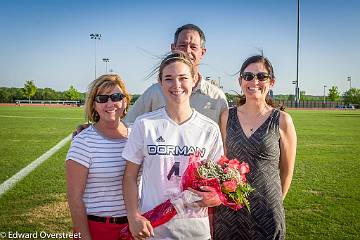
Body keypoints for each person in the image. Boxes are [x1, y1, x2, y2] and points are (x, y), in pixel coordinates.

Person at [122, 51, 224, 240]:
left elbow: (219, 186)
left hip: (195, 232)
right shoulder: (145, 124)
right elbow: (129, 176)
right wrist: (133, 215)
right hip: (153, 229)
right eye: (168, 78)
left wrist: (215, 198)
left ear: (194, 80)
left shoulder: (209, 129)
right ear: (160, 82)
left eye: (183, 78)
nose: (176, 85)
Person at [214, 55, 297, 240]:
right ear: (241, 81)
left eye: (261, 76)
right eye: (248, 76)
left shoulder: (282, 121)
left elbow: (287, 171)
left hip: (267, 212)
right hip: (230, 211)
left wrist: (273, 202)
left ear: (271, 82)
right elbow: (223, 162)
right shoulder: (227, 116)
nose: (254, 81)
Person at [66, 74, 131, 240]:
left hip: (134, 227)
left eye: (116, 97)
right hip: (98, 229)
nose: (110, 104)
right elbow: (74, 197)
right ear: (94, 105)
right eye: (102, 98)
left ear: (125, 101)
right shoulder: (83, 141)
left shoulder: (137, 135)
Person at [124, 23, 228, 125]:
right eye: (182, 45)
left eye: (193, 47)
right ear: (173, 48)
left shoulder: (217, 97)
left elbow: (225, 137)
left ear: (202, 52)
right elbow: (129, 125)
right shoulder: (154, 93)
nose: (187, 51)